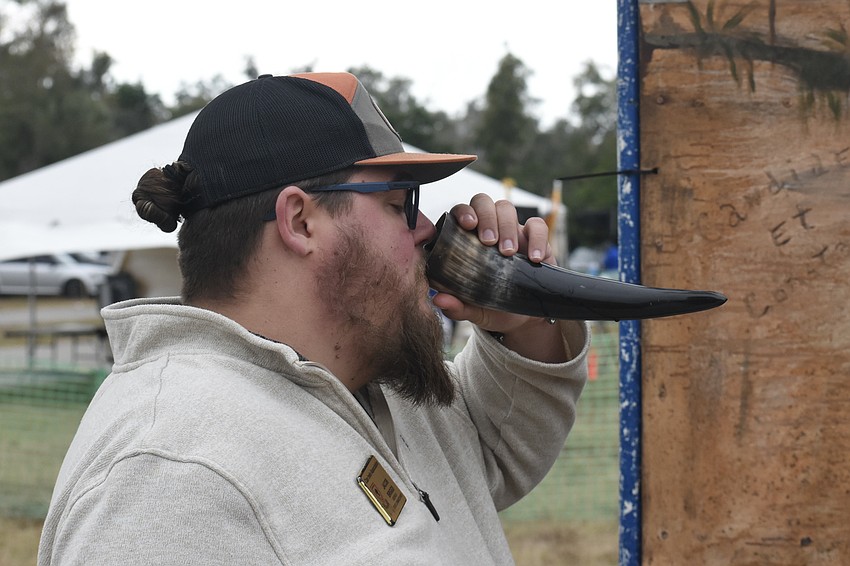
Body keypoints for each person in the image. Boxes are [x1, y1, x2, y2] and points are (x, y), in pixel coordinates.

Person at [38, 72, 589, 565]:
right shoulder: (172, 477)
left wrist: (523, 321)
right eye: (400, 203)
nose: (427, 228)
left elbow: (491, 448)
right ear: (300, 221)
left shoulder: (366, 383)